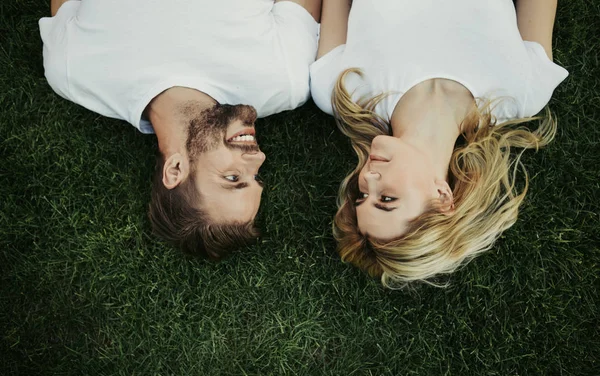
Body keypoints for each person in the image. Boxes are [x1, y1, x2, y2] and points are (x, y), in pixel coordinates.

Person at [310, 0, 568, 285]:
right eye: (386, 198)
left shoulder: (340, 90)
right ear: (442, 197)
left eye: (361, 196)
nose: (368, 178)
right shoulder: (521, 93)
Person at [39, 0, 321, 258]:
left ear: (175, 169)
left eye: (233, 177)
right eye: (256, 176)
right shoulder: (284, 79)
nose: (259, 158)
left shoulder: (73, 70)